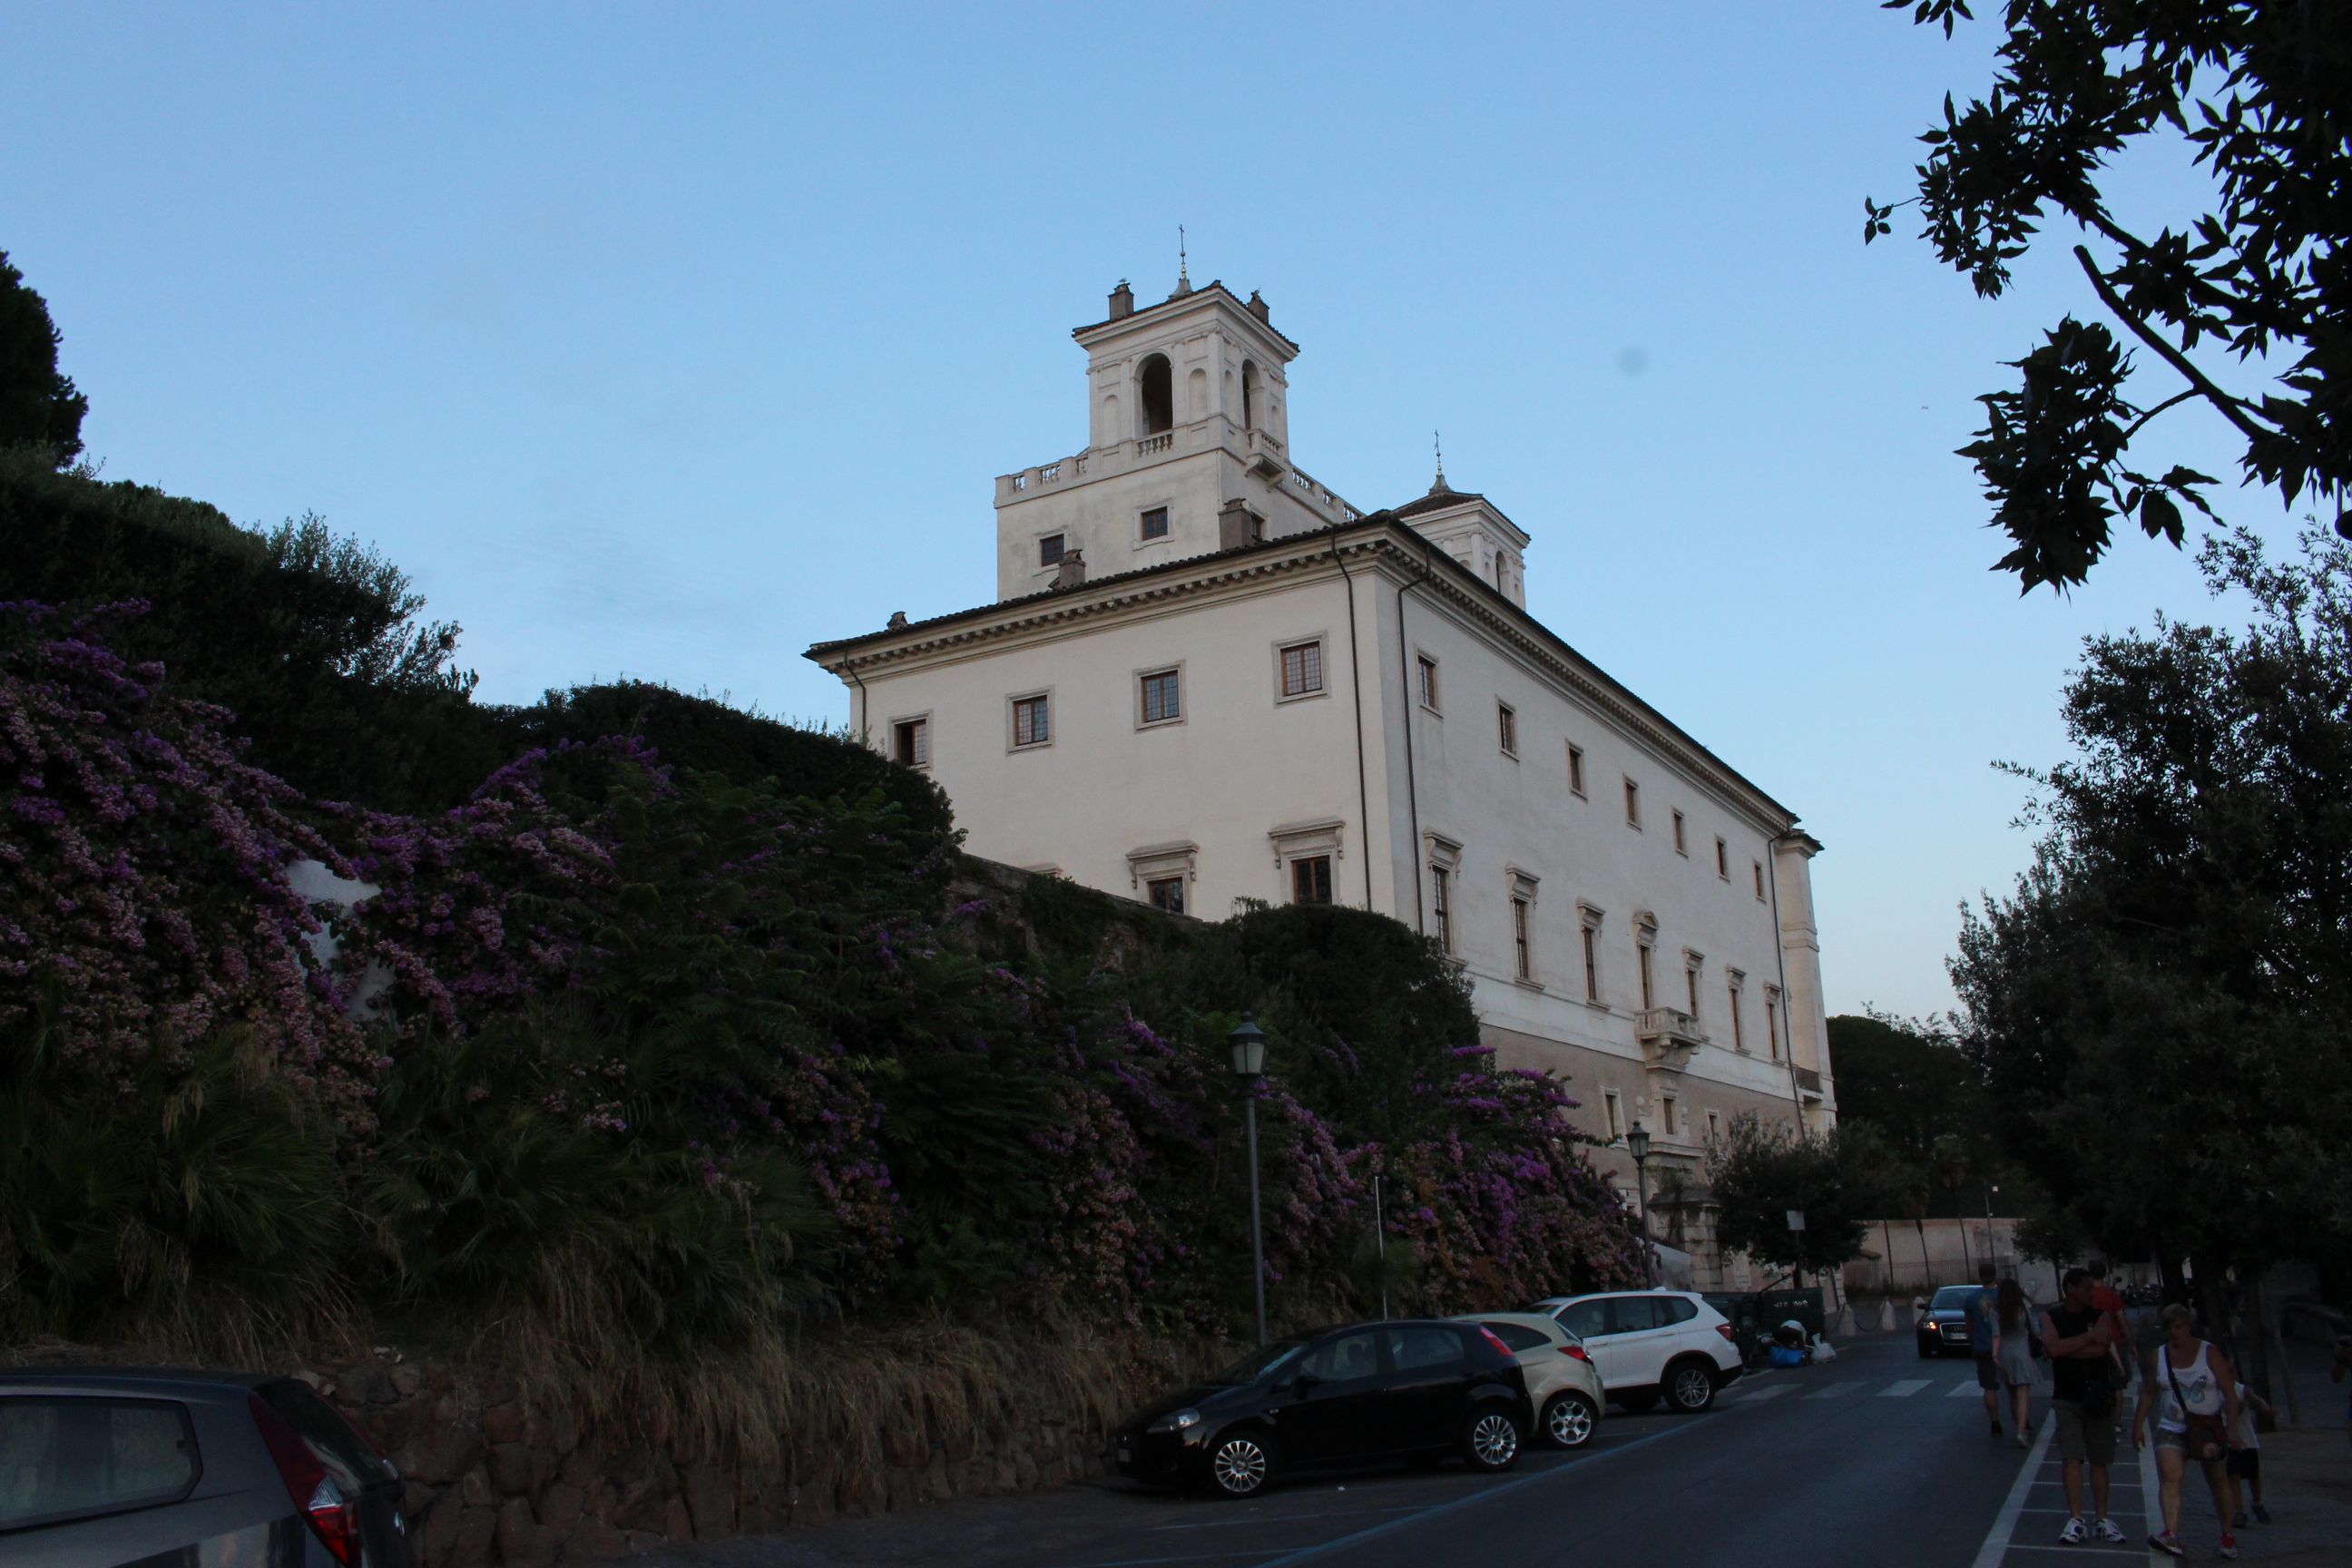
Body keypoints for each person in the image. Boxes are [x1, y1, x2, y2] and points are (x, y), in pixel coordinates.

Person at [2132, 1302, 2241, 1560]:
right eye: (2169, 1328)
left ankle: (2227, 1534)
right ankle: (2171, 1533)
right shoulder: (2158, 1356)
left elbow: (2229, 1391)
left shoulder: (2209, 1353)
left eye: (2178, 1327)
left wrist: (2232, 1428)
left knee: (2218, 1481)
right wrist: (2138, 1425)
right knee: (2170, 1477)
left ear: (2188, 1327)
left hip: (2208, 1427)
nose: (2174, 1333)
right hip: (2172, 1425)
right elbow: (2148, 1392)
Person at [2040, 1268, 2128, 1545]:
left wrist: (2067, 1348)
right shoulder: (2051, 1316)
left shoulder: (2100, 1316)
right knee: (2071, 1457)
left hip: (2097, 1395)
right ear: (2071, 1288)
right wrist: (2086, 1339)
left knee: (2099, 1460)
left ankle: (2102, 1518)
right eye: (2087, 1288)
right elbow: (2053, 1349)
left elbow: (2100, 1347)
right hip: (2067, 1396)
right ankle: (2076, 1518)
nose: (2092, 1293)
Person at [1992, 1278, 2037, 1449]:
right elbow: (2034, 1328)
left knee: (2012, 1395)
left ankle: (2019, 1426)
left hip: (2004, 1354)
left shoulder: (1996, 1310)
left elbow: (1996, 1334)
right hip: (2022, 1352)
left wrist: (1994, 1355)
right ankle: (2021, 1432)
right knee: (2023, 1395)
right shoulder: (2023, 1307)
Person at [2225, 1379, 2274, 1526]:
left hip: (2247, 1441)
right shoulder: (2213, 1390)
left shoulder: (2239, 1389)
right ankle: (2239, 1511)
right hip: (2229, 1443)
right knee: (2233, 1476)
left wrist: (2265, 1408)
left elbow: (2255, 1399)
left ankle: (2257, 1503)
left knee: (2253, 1476)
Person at [1966, 1261, 2003, 1438]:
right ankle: (2022, 1420)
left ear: (1980, 1276)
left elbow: (1969, 1324)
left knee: (1989, 1387)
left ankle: (1994, 1421)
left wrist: (1972, 1345)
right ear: (1995, 1275)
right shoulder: (2002, 1295)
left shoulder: (1972, 1298)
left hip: (1982, 1346)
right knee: (2014, 1386)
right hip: (2003, 1346)